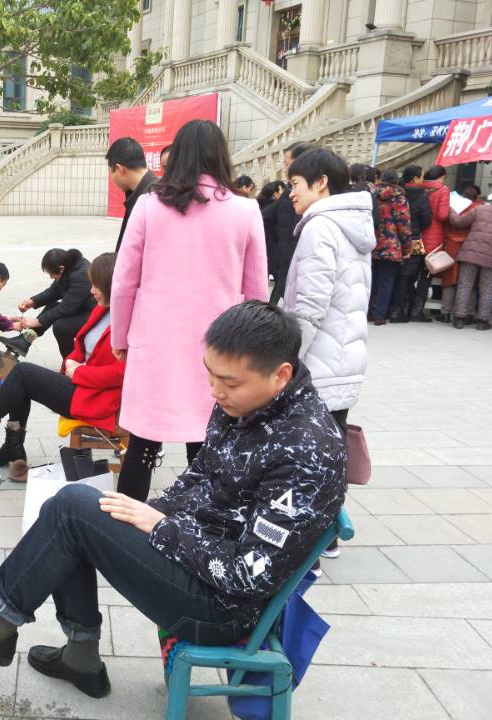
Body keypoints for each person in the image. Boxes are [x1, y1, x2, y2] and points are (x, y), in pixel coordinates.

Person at [0, 302, 346, 699]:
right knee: (75, 508)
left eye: (230, 383)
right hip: (196, 556)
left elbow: (249, 576)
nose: (215, 391)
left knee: (73, 508)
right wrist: (150, 512)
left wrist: (161, 527)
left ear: (281, 375)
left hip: (223, 610)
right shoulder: (245, 403)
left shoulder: (305, 451)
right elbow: (199, 476)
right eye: (210, 375)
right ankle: (77, 654)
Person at [111, 120, 268, 502]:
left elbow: (124, 281)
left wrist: (121, 337)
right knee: (205, 447)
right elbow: (256, 293)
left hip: (155, 344)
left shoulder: (149, 205)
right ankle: (201, 527)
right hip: (220, 349)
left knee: (142, 447)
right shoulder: (245, 210)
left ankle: (122, 528)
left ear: (177, 155)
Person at [0, 253, 124, 470]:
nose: (91, 290)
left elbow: (121, 374)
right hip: (83, 385)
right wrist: (71, 362)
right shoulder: (102, 309)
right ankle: (12, 446)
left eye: (95, 285)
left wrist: (78, 372)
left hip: (98, 398)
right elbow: (79, 347)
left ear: (111, 285)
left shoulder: (126, 321)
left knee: (22, 373)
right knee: (20, 379)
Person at [283, 147, 374, 561]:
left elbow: (309, 306)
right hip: (344, 357)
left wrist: (286, 359)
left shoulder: (321, 227)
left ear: (321, 183)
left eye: (295, 184)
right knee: (329, 451)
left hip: (318, 362)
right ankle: (327, 538)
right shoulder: (355, 226)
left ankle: (312, 543)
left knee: (309, 455)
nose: (291, 193)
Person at [4, 248, 97, 360]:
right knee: (52, 307)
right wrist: (33, 301)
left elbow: (66, 307)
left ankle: (72, 362)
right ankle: (24, 340)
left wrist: (37, 321)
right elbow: (54, 291)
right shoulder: (68, 266)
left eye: (51, 274)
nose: (51, 277)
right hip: (81, 308)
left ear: (61, 268)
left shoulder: (81, 275)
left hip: (94, 315)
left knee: (61, 327)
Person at [263, 142, 315, 305]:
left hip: (300, 269)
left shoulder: (309, 196)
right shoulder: (289, 193)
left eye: (287, 164)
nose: (285, 169)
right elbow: (266, 219)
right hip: (285, 264)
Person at [448, 192, 492, 331]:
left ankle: (459, 319)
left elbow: (458, 222)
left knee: (464, 285)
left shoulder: (480, 209)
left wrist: (450, 209)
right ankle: (482, 321)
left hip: (470, 254)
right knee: (487, 289)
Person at [390, 166, 433, 323]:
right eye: (421, 177)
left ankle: (393, 309)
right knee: (408, 276)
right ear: (415, 178)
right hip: (413, 240)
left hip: (394, 238)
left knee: (396, 275)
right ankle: (399, 311)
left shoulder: (397, 192)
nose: (423, 181)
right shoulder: (421, 195)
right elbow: (426, 220)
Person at [369, 169, 411, 325]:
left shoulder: (372, 195)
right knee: (386, 281)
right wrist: (407, 248)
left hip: (371, 242)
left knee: (371, 279)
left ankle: (367, 312)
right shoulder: (399, 199)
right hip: (391, 245)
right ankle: (379, 315)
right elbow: (404, 226)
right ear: (396, 181)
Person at [439, 183, 483, 323]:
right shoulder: (479, 208)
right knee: (471, 280)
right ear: (477, 197)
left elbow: (445, 225)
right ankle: (469, 313)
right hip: (471, 246)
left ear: (463, 195)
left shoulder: (452, 206)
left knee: (450, 279)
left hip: (452, 245)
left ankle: (445, 312)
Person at [106, 137, 157, 252]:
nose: (112, 179)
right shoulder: (140, 191)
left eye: (110, 172)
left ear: (119, 169)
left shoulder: (152, 198)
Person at [415, 164, 452, 321]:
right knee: (427, 274)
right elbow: (443, 215)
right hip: (434, 236)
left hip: (418, 235)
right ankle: (417, 311)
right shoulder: (443, 190)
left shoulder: (420, 187)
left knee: (413, 273)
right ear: (441, 177)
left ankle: (407, 307)